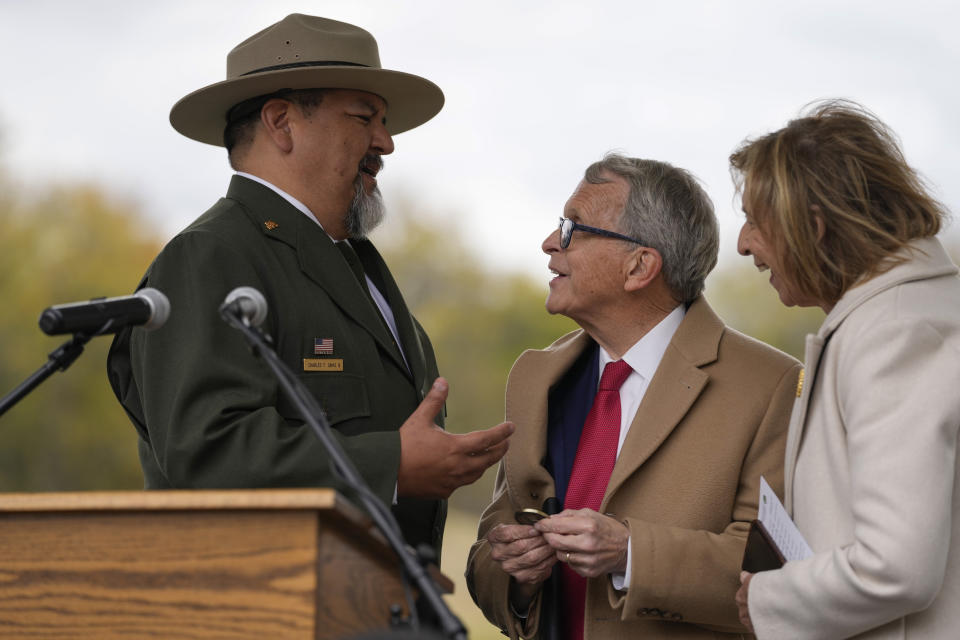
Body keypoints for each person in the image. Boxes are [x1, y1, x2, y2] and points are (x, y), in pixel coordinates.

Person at [106, 14, 513, 557]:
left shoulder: (354, 264)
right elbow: (209, 453)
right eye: (364, 116)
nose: (386, 142)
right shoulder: (211, 254)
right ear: (281, 122)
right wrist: (392, 465)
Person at [466, 154, 802, 639]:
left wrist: (630, 554)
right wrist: (513, 575)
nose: (549, 243)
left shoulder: (772, 386)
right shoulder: (536, 378)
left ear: (640, 266)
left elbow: (775, 575)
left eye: (573, 228)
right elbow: (486, 563)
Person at [731, 100, 960, 639]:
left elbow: (895, 567)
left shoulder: (896, 333)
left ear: (813, 228)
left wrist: (767, 598)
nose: (742, 244)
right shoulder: (897, 316)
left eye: (754, 222)